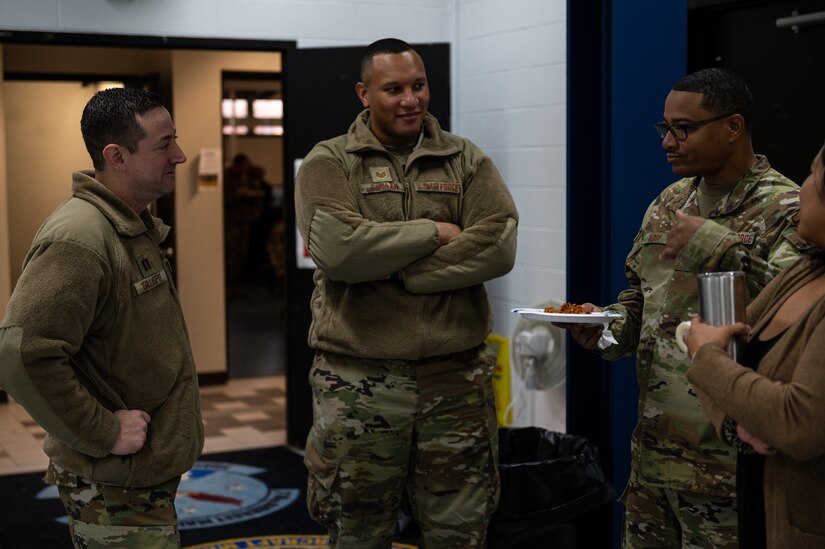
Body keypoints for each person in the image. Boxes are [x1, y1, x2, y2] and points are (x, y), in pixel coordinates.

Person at [560, 68, 806, 547]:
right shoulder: (670, 201)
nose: (668, 142)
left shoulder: (787, 207)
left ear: (733, 127)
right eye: (664, 128)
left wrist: (715, 244)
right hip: (654, 458)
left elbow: (795, 308)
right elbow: (644, 298)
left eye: (684, 128)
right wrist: (606, 326)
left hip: (726, 467)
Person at [294, 38, 518, 548]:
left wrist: (399, 271)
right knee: (358, 533)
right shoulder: (329, 162)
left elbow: (498, 246)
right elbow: (339, 250)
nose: (410, 99)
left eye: (418, 86)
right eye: (393, 89)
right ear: (363, 93)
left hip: (456, 382)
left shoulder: (465, 159)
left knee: (460, 532)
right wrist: (434, 234)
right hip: (358, 384)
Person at [0, 87, 203, 548]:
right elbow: (21, 355)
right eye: (164, 144)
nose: (181, 154)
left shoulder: (129, 224)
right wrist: (103, 430)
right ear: (117, 156)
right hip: (113, 482)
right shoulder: (81, 238)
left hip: (137, 476)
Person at [684, 143, 825, 549]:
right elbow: (729, 355)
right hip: (761, 508)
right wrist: (739, 423)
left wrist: (705, 355)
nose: (804, 186)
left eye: (814, 174)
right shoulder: (803, 272)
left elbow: (797, 423)